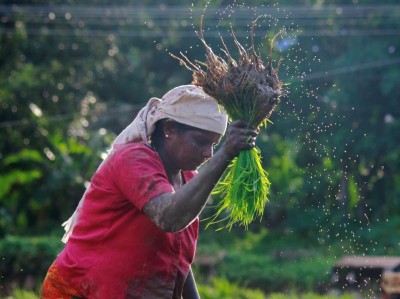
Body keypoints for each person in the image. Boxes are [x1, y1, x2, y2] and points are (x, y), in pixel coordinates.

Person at [41, 85, 258, 299]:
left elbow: (177, 256)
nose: (209, 153)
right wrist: (226, 153)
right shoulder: (133, 160)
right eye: (201, 141)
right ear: (169, 129)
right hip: (80, 292)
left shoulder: (188, 178)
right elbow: (168, 217)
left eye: (215, 145)